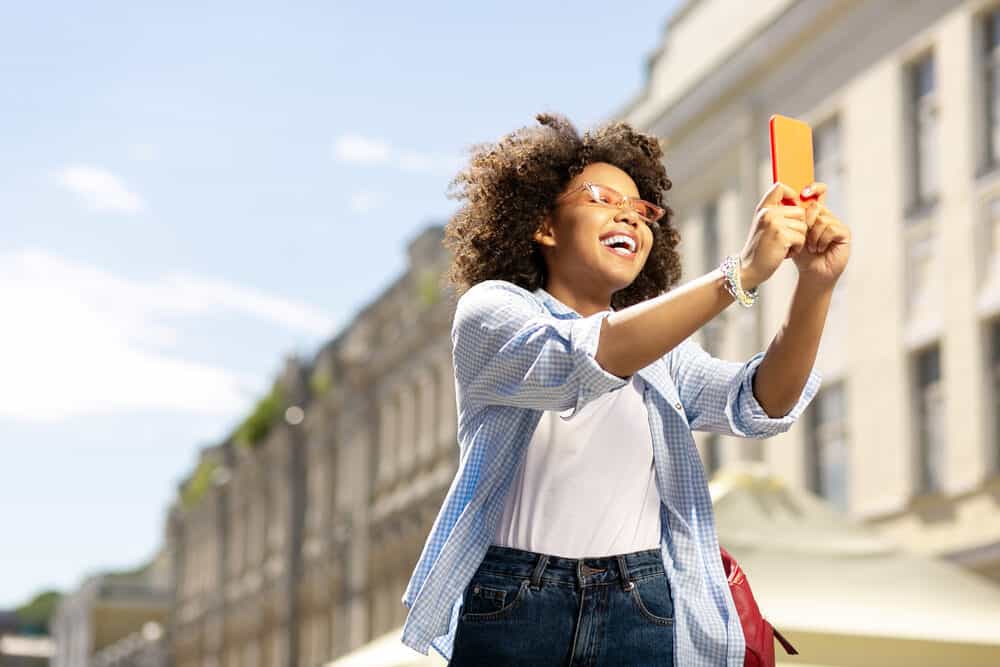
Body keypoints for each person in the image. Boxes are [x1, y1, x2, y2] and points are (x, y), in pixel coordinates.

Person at [399, 112, 851, 666]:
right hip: (516, 600)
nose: (630, 217)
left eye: (642, 210)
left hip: (641, 601)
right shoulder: (493, 311)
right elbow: (585, 359)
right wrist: (740, 273)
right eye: (602, 198)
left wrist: (816, 285)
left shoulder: (660, 352)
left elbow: (760, 402)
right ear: (543, 224)